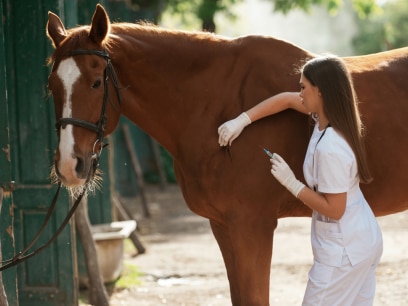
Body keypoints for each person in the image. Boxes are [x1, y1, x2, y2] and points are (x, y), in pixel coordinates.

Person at [218, 55, 383, 306]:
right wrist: (242, 120)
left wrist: (292, 183)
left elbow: (334, 209)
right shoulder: (327, 121)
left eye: (303, 87)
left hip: (345, 252)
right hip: (359, 241)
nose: (300, 93)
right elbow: (285, 100)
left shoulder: (331, 147)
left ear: (320, 92)